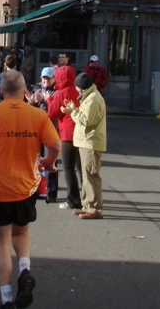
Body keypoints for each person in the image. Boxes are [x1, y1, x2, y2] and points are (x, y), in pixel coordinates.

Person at [0, 70, 61, 309]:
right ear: (24, 91)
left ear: (1, 90)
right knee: (21, 234)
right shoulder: (36, 115)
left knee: (1, 243)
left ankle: (7, 298)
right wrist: (49, 162)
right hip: (25, 188)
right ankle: (25, 269)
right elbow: (56, 145)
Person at [61, 73, 107, 219]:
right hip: (86, 141)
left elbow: (86, 120)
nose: (77, 91)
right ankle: (87, 205)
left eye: (78, 89)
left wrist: (72, 111)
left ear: (83, 88)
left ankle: (94, 208)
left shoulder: (93, 99)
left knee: (91, 175)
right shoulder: (90, 96)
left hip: (91, 142)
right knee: (86, 175)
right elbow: (85, 115)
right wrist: (74, 108)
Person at [46, 52, 81, 211]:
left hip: (67, 133)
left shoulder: (61, 92)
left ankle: (73, 199)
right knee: (81, 168)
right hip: (80, 130)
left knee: (68, 167)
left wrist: (49, 99)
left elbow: (52, 113)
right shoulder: (77, 90)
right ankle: (86, 196)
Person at [28, 67, 59, 203]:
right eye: (44, 78)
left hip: (51, 132)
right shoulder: (38, 91)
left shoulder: (57, 93)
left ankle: (51, 192)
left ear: (54, 79)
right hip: (37, 131)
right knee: (37, 161)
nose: (46, 81)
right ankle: (37, 189)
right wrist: (32, 100)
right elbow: (31, 108)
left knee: (50, 161)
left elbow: (56, 111)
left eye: (48, 78)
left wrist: (47, 101)